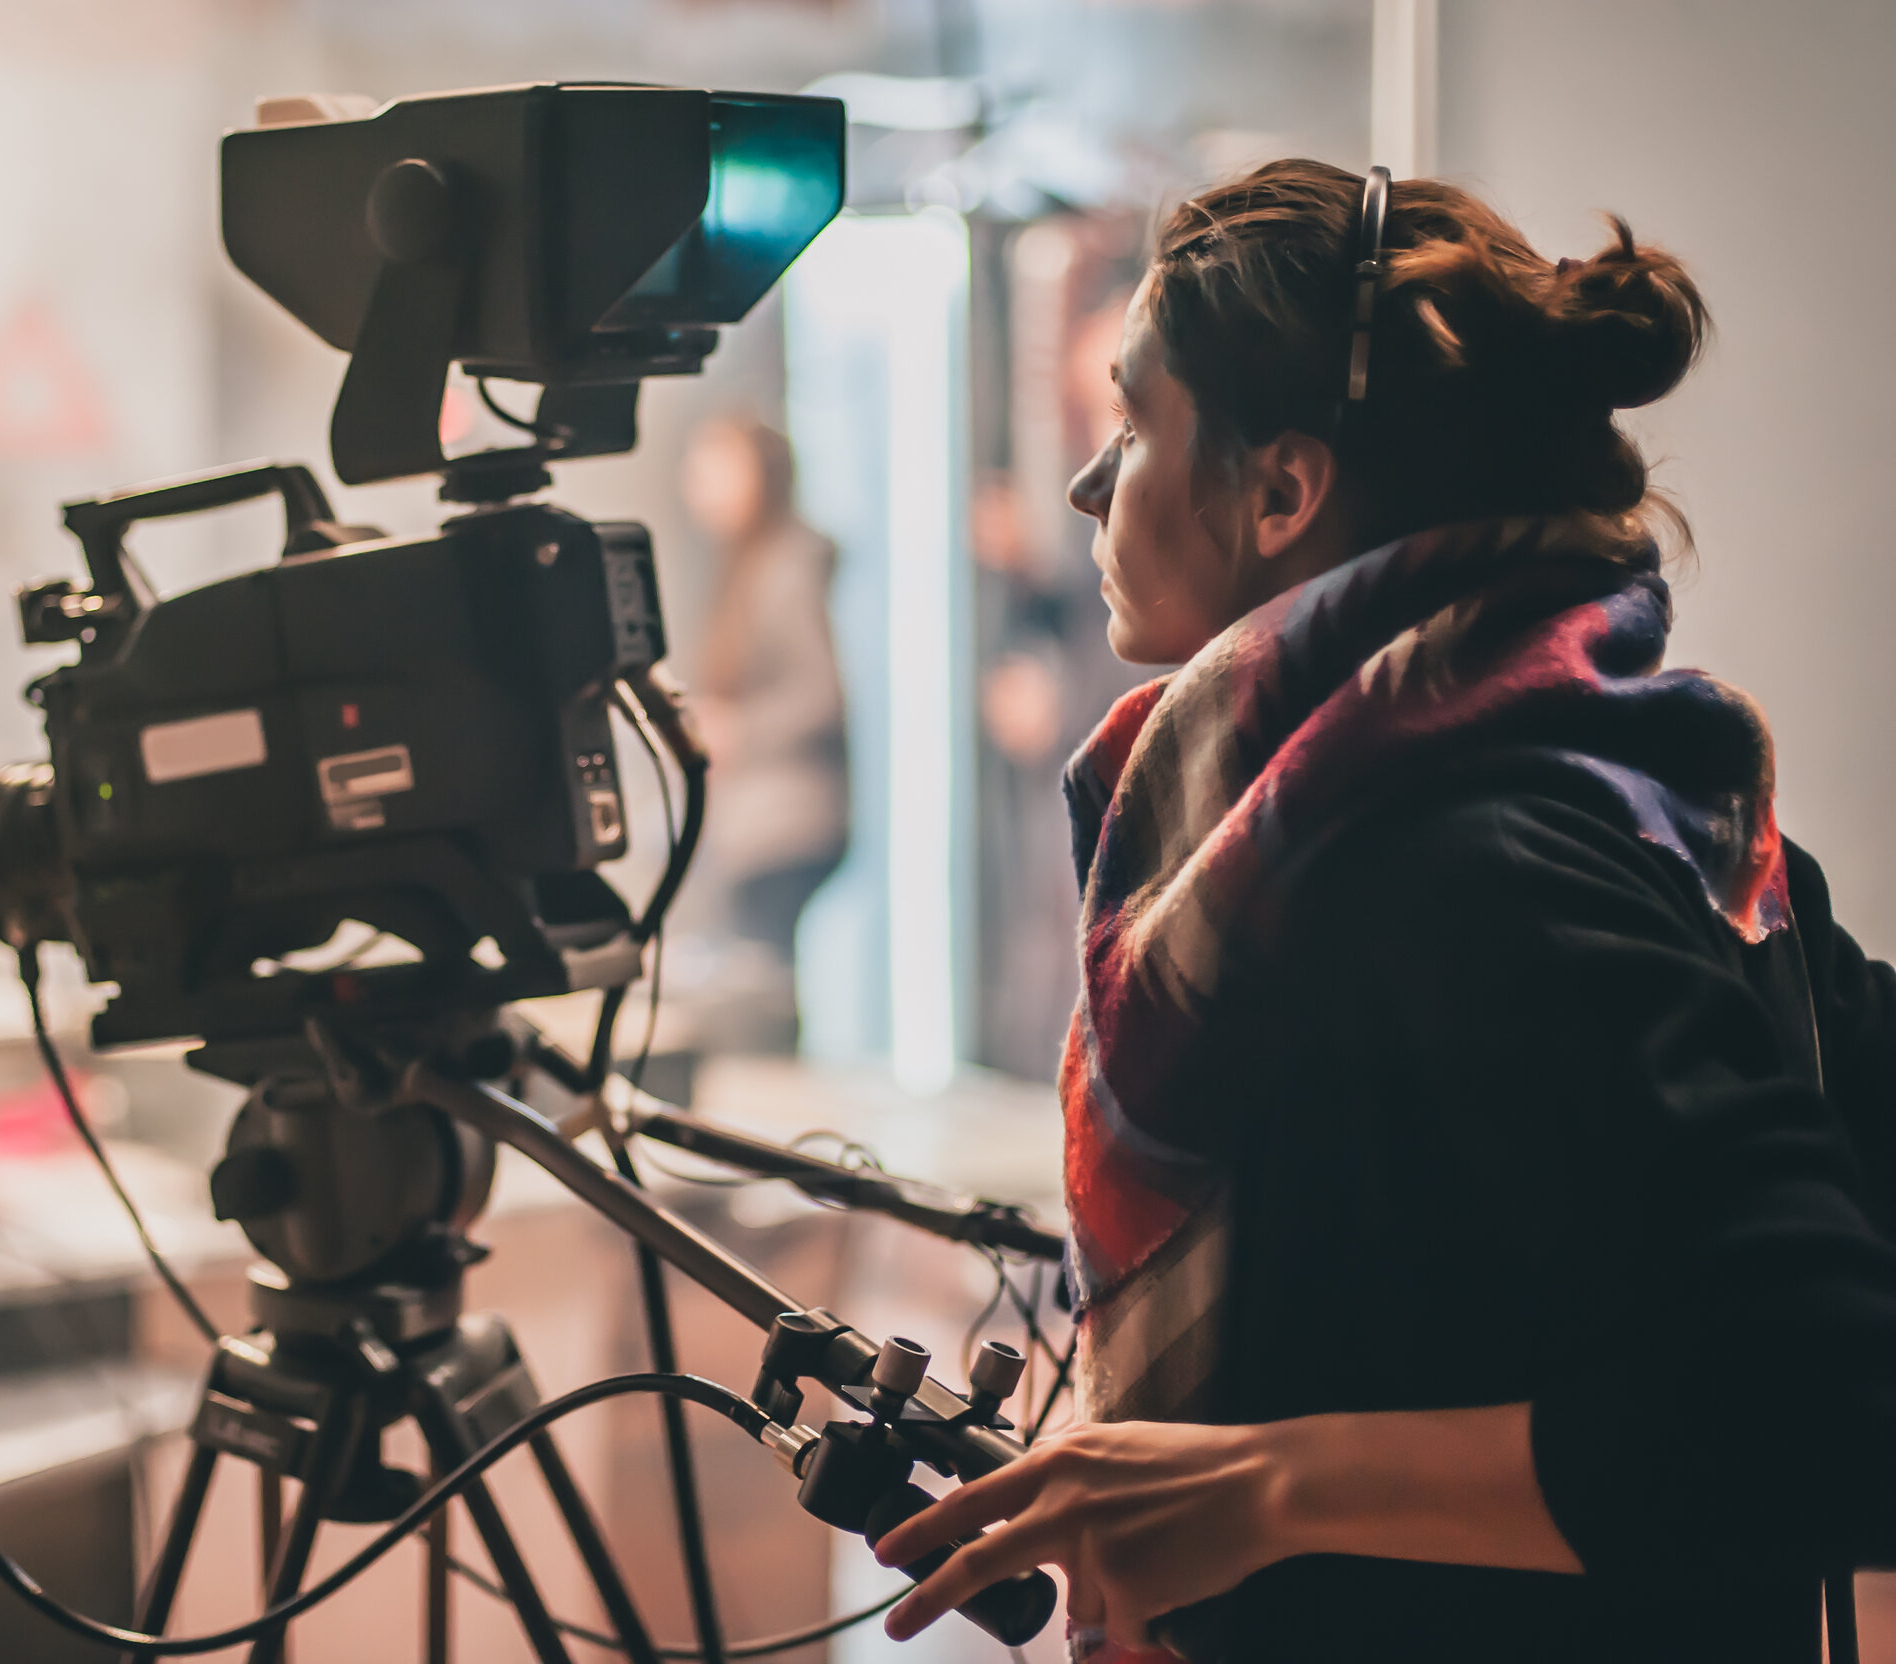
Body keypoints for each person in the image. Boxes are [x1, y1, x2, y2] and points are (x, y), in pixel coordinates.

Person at [872, 162, 1896, 1661]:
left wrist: (1262, 1488)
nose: (1091, 487)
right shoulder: (1629, 786)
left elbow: (1835, 1410)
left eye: (1135, 422)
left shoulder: (1462, 865)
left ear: (1283, 489)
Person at [680, 413, 849, 1050]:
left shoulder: (783, 570)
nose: (697, 484)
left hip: (787, 823)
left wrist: (736, 731)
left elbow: (820, 695)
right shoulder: (749, 567)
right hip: (763, 821)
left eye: (714, 467)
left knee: (764, 994)